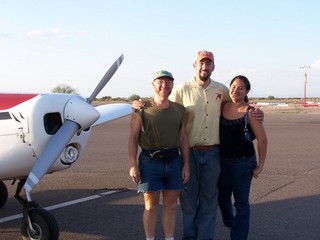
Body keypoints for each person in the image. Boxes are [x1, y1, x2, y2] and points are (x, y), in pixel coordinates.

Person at [132, 51, 264, 239]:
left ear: (213, 67)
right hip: (189, 153)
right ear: (194, 65)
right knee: (188, 201)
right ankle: (190, 236)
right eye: (201, 63)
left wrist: (255, 112)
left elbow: (236, 105)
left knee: (209, 200)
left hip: (213, 154)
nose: (205, 67)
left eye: (208, 64)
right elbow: (163, 104)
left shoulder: (221, 90)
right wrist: (138, 104)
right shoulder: (181, 89)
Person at [128, 70, 190, 240]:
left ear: (172, 85)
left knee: (170, 206)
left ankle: (169, 238)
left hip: (174, 161)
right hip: (150, 162)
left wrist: (186, 165)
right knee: (150, 206)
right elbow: (133, 138)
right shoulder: (142, 108)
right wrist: (133, 164)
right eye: (160, 82)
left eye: (168, 82)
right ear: (153, 85)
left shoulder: (179, 109)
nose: (164, 85)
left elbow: (183, 138)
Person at [218, 75, 267, 240]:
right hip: (223, 161)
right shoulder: (222, 106)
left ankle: (238, 236)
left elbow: (262, 140)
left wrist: (260, 165)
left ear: (246, 91)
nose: (235, 90)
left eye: (240, 88)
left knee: (241, 204)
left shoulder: (251, 112)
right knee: (222, 199)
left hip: (244, 163)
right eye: (233, 86)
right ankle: (234, 224)